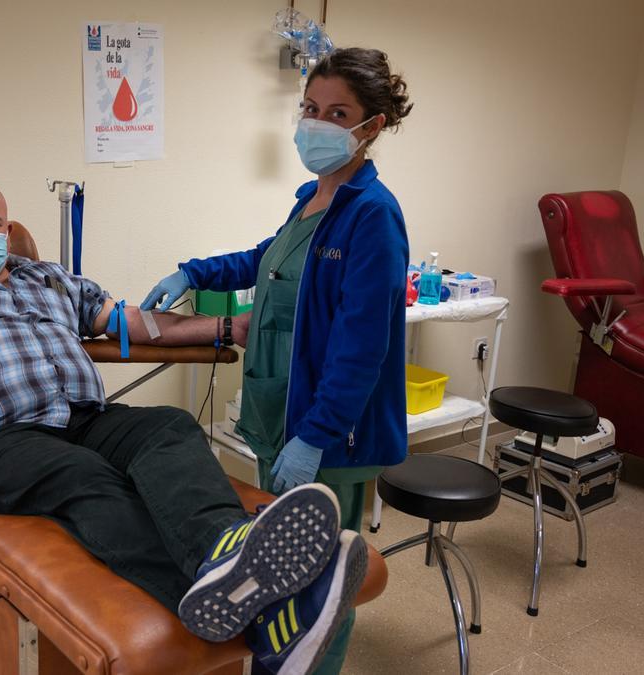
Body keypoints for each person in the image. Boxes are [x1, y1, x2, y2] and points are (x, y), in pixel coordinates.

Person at [0, 177, 367, 673]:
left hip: (84, 417)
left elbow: (131, 321)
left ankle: (224, 550)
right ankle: (252, 608)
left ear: (7, 231)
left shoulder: (49, 279)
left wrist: (225, 324)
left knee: (169, 427)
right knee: (83, 475)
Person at [141, 47, 412, 673]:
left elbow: (362, 346)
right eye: (310, 109)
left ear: (369, 126)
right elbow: (270, 258)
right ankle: (273, 659)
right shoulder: (315, 198)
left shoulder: (373, 216)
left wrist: (314, 436)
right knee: (279, 568)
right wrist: (195, 270)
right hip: (277, 412)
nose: (316, 124)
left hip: (327, 434)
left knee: (322, 582)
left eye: (336, 112)